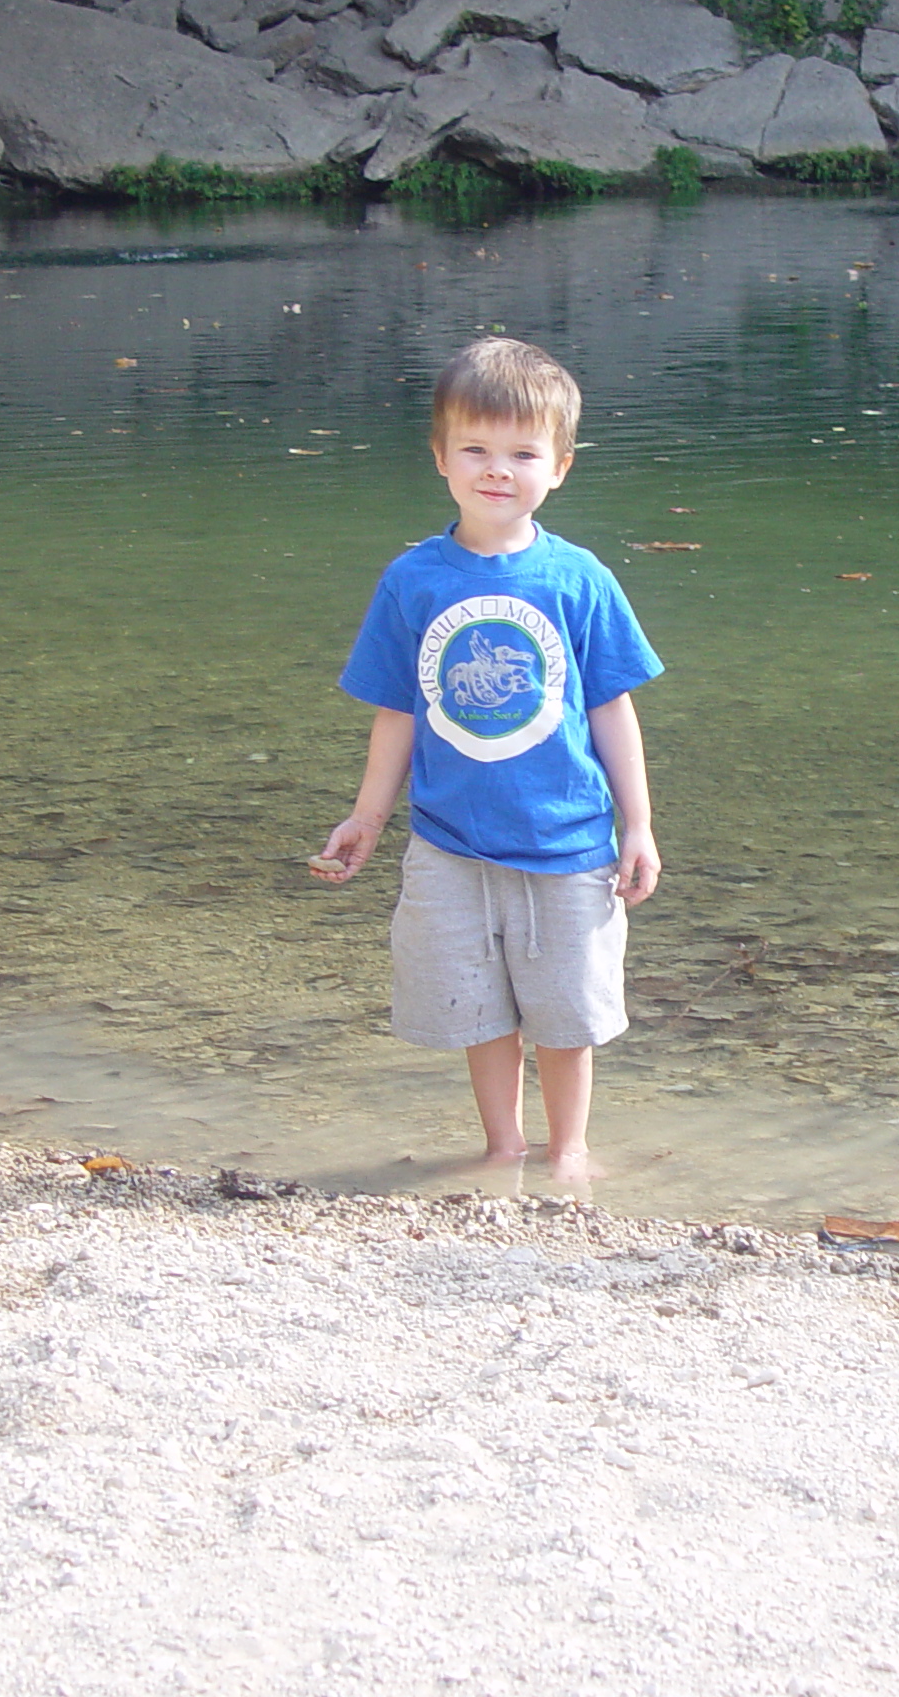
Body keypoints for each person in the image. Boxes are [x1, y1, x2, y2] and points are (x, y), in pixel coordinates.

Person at [310, 338, 662, 1183]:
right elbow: (398, 710)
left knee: (567, 1014)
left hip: (568, 843)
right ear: (440, 458)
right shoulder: (413, 580)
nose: (496, 470)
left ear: (560, 467)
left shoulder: (578, 579)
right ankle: (503, 1146)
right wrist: (367, 815)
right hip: (449, 842)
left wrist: (639, 826)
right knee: (477, 1005)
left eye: (522, 454)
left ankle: (569, 1148)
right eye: (474, 449)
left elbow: (612, 707)